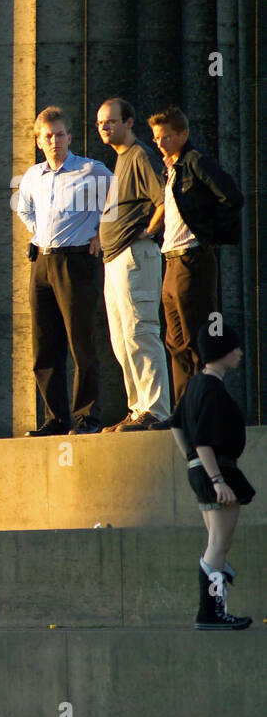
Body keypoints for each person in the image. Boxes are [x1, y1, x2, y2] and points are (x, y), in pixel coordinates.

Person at [15, 106, 113, 436]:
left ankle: (87, 418)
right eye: (48, 136)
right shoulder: (32, 176)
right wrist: (37, 231)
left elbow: (118, 204)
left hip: (77, 262)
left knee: (81, 344)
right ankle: (55, 420)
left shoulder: (92, 170)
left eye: (59, 135)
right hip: (43, 261)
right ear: (39, 141)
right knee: (44, 348)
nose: (54, 141)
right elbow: (23, 209)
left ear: (69, 137)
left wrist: (101, 233)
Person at [149, 106, 244, 406]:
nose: (160, 143)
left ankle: (204, 405)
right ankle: (183, 407)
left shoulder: (195, 162)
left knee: (195, 339)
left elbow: (231, 196)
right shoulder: (172, 168)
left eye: (166, 137)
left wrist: (213, 236)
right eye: (156, 138)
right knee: (174, 341)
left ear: (183, 134)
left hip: (191, 258)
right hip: (171, 259)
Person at [170, 322, 254, 629]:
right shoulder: (211, 389)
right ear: (222, 353)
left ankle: (214, 605)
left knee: (217, 542)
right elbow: (203, 439)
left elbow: (176, 424)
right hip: (217, 471)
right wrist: (217, 479)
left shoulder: (195, 384)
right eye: (235, 348)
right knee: (218, 544)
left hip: (203, 470)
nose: (241, 354)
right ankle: (211, 611)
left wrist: (191, 460)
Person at [95, 98, 171, 432]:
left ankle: (156, 410)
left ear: (129, 122)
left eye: (111, 121)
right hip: (114, 261)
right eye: (101, 123)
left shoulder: (140, 155)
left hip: (135, 256)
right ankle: (138, 408)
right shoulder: (121, 160)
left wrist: (149, 230)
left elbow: (166, 197)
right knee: (121, 340)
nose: (105, 127)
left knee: (141, 332)